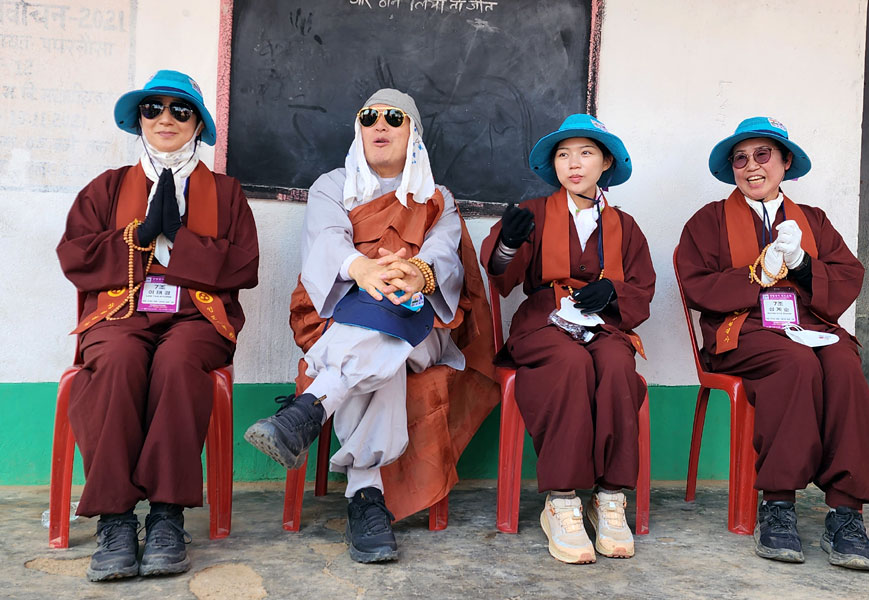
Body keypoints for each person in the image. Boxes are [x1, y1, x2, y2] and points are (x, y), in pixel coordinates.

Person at [244, 89, 496, 563]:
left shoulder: (437, 198)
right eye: (369, 116)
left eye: (394, 118)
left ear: (412, 133)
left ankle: (309, 411)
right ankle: (366, 498)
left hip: (421, 320)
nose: (380, 125)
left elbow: (444, 258)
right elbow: (327, 242)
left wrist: (414, 273)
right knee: (386, 351)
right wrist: (362, 270)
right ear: (359, 128)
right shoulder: (331, 186)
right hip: (340, 315)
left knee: (394, 325)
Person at [56, 70, 259, 581]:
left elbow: (245, 267)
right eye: (153, 109)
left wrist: (181, 241)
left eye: (180, 110)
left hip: (197, 316)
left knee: (177, 361)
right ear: (139, 119)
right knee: (119, 360)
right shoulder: (107, 187)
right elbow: (74, 254)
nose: (165, 119)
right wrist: (138, 238)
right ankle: (116, 518)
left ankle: (167, 515)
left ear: (198, 124)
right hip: (121, 313)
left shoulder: (226, 193)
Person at [677, 116, 869, 571]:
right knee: (796, 364)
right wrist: (757, 273)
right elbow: (697, 284)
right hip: (742, 328)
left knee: (844, 364)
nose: (752, 166)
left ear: (785, 162)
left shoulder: (813, 221)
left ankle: (846, 511)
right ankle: (778, 504)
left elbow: (848, 275)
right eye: (741, 158)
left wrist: (804, 266)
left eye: (763, 155)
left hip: (806, 323)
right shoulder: (709, 220)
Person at [480, 114, 655, 564]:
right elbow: (500, 273)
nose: (573, 163)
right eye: (563, 154)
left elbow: (642, 287)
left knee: (617, 366)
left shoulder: (626, 225)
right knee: (570, 364)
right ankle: (561, 500)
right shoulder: (535, 213)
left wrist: (613, 291)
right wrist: (507, 245)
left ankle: (611, 496)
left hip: (603, 324)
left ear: (606, 163)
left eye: (585, 153)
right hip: (545, 321)